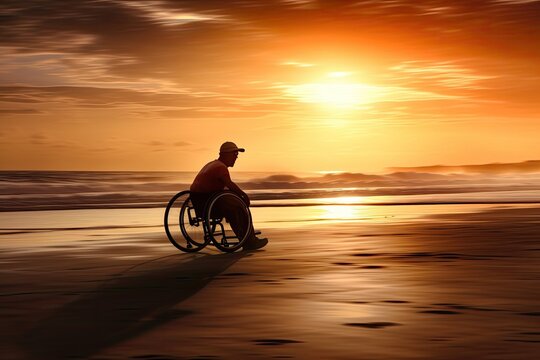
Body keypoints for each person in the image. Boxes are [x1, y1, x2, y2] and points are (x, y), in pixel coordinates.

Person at [190, 141, 268, 251]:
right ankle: (249, 240)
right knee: (240, 207)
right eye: (234, 154)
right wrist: (243, 195)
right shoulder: (220, 167)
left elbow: (222, 186)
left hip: (200, 201)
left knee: (234, 204)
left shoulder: (212, 164)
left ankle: (246, 237)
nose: (236, 158)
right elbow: (229, 184)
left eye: (237, 155)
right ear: (226, 154)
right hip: (209, 204)